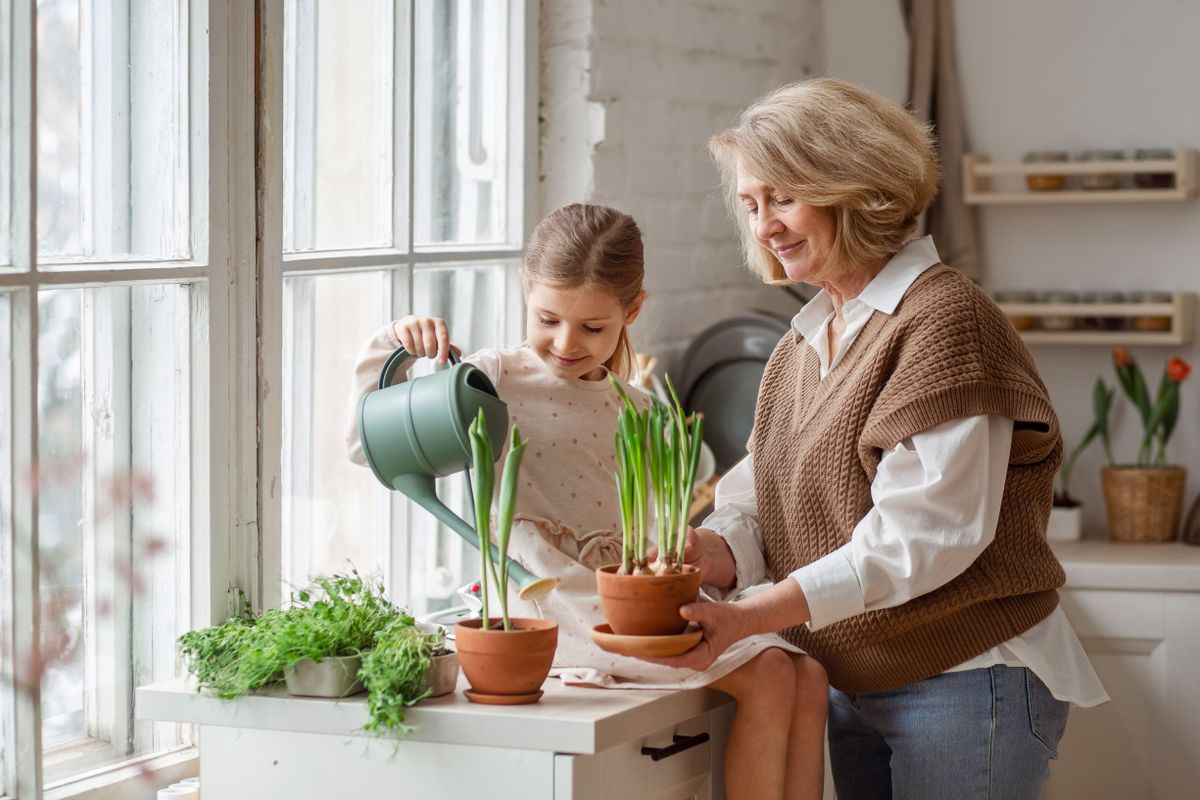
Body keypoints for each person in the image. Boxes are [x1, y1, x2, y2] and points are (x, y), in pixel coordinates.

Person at [646, 79, 1109, 800]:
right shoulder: (802, 346)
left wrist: (748, 616)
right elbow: (763, 498)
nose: (764, 226)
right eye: (751, 204)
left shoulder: (943, 322)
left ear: (853, 188)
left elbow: (924, 535)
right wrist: (713, 549)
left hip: (965, 680)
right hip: (854, 679)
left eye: (783, 198)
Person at [344, 202, 829, 800]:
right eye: (547, 319)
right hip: (552, 598)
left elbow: (649, 525)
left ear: (632, 311)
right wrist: (392, 346)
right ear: (526, 289)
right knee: (772, 672)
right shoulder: (491, 380)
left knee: (809, 675)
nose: (566, 343)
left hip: (625, 592)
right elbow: (366, 447)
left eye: (593, 328)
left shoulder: (637, 406)